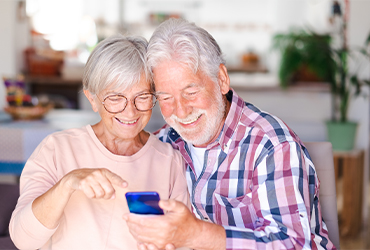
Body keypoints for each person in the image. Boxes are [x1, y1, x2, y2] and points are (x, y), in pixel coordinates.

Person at [124, 18, 336, 250]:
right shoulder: (163, 143)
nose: (181, 111)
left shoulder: (271, 145)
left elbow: (294, 245)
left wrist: (197, 235)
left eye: (191, 91)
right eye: (165, 98)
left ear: (222, 80)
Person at [9, 35, 189, 250]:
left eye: (142, 97)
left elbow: (181, 241)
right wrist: (67, 184)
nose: (130, 111)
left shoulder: (170, 161)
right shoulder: (56, 149)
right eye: (115, 98)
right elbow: (23, 240)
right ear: (92, 99)